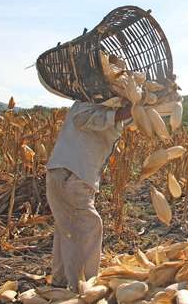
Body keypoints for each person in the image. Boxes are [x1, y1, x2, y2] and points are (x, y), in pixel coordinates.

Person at [45, 100, 132, 291]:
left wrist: (159, 99)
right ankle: (85, 288)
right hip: (70, 175)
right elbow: (84, 118)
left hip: (71, 175)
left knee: (66, 228)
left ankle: (60, 283)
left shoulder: (110, 110)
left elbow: (130, 117)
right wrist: (124, 112)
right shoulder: (86, 104)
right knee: (88, 225)